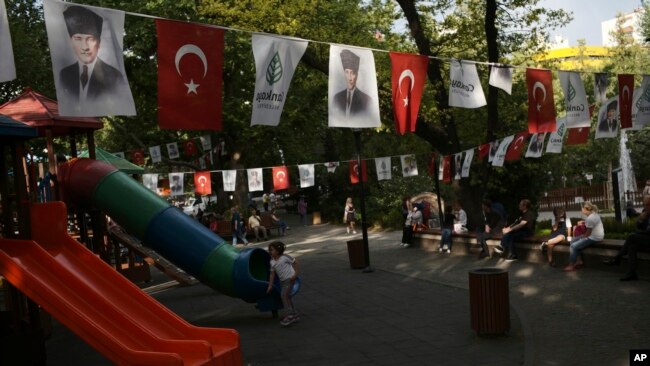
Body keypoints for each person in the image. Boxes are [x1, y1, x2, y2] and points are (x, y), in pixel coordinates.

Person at [59, 6, 128, 105]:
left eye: (90, 39)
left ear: (99, 43)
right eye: (78, 38)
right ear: (71, 42)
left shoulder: (115, 76)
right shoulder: (64, 74)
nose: (85, 47)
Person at [603, 196, 650, 281]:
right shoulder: (645, 212)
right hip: (646, 239)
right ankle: (632, 273)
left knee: (632, 236)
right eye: (645, 205)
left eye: (648, 205)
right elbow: (639, 227)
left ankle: (617, 259)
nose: (646, 207)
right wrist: (640, 219)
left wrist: (636, 234)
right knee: (632, 247)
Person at [266, 241, 300, 327]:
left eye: (271, 250)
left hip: (290, 279)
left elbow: (295, 263)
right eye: (269, 250)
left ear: (277, 251)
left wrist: (295, 274)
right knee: (287, 296)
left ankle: (290, 315)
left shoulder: (285, 257)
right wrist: (270, 285)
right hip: (283, 281)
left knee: (284, 296)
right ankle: (294, 315)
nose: (270, 251)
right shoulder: (272, 262)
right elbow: (272, 274)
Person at [563, 201, 604, 272]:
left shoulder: (590, 218)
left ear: (585, 209)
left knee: (573, 246)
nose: (581, 210)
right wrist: (583, 222)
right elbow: (590, 225)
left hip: (594, 237)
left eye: (581, 208)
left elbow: (587, 233)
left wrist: (581, 238)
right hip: (597, 235)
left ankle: (571, 265)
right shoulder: (594, 214)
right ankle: (579, 261)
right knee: (573, 240)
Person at [333, 49, 371, 119]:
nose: (349, 78)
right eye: (347, 72)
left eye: (352, 73)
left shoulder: (366, 100)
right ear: (344, 73)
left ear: (357, 75)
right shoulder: (336, 98)